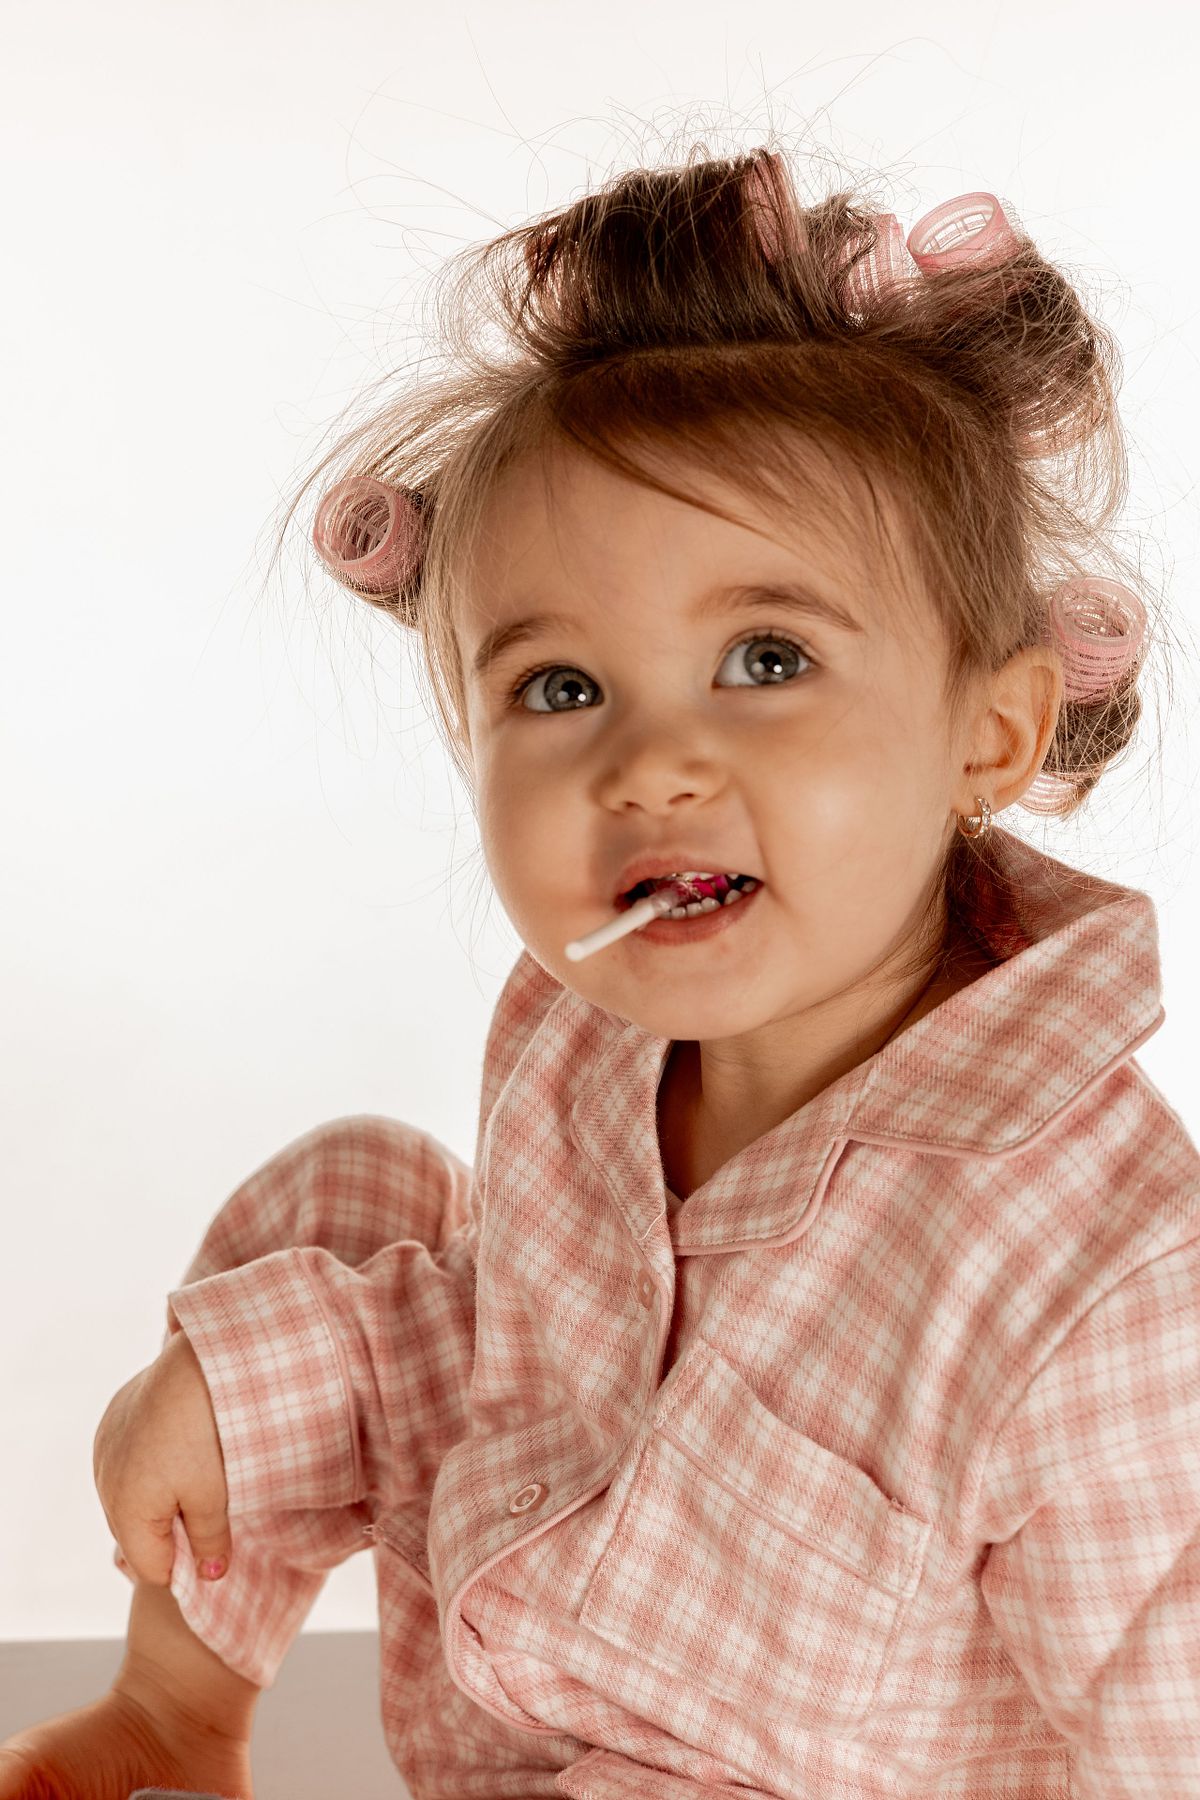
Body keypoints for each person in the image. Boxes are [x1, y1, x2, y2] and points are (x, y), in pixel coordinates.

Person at [3, 142, 1197, 1800]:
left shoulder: (1101, 1272)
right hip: (526, 1676)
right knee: (349, 1194)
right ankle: (174, 1718)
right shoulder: (590, 1038)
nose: (650, 765)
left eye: (765, 659)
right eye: (561, 690)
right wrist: (253, 1382)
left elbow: (1167, 1710)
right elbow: (520, 1362)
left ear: (988, 735)